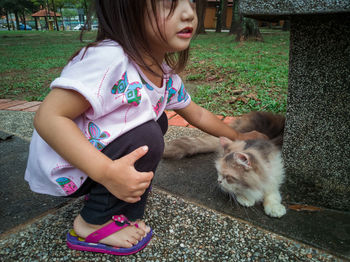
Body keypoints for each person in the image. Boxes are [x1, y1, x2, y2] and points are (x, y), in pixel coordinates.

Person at [25, 0, 266, 256]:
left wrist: (238, 136)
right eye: (169, 4)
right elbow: (48, 117)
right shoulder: (109, 58)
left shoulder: (163, 73)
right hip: (70, 167)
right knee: (147, 135)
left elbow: (197, 113)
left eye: (191, 3)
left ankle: (104, 191)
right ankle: (91, 222)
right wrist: (107, 172)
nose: (188, 14)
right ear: (126, 9)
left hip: (91, 162)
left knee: (157, 122)